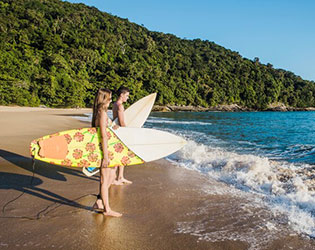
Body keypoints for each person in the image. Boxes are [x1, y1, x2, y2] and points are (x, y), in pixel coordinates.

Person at [92, 88, 122, 217]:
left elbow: (104, 129)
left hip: (107, 148)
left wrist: (113, 127)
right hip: (104, 150)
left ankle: (99, 201)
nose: (110, 101)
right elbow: (103, 136)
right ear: (104, 99)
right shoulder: (101, 113)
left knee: (110, 175)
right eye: (109, 99)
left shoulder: (99, 112)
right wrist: (105, 156)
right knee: (105, 180)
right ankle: (107, 210)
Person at [112, 86, 132, 185]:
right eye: (127, 96)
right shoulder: (120, 106)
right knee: (120, 155)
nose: (127, 98)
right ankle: (114, 178)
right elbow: (121, 122)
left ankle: (120, 177)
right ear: (121, 95)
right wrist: (128, 132)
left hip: (116, 131)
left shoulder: (114, 104)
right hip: (120, 132)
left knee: (120, 155)